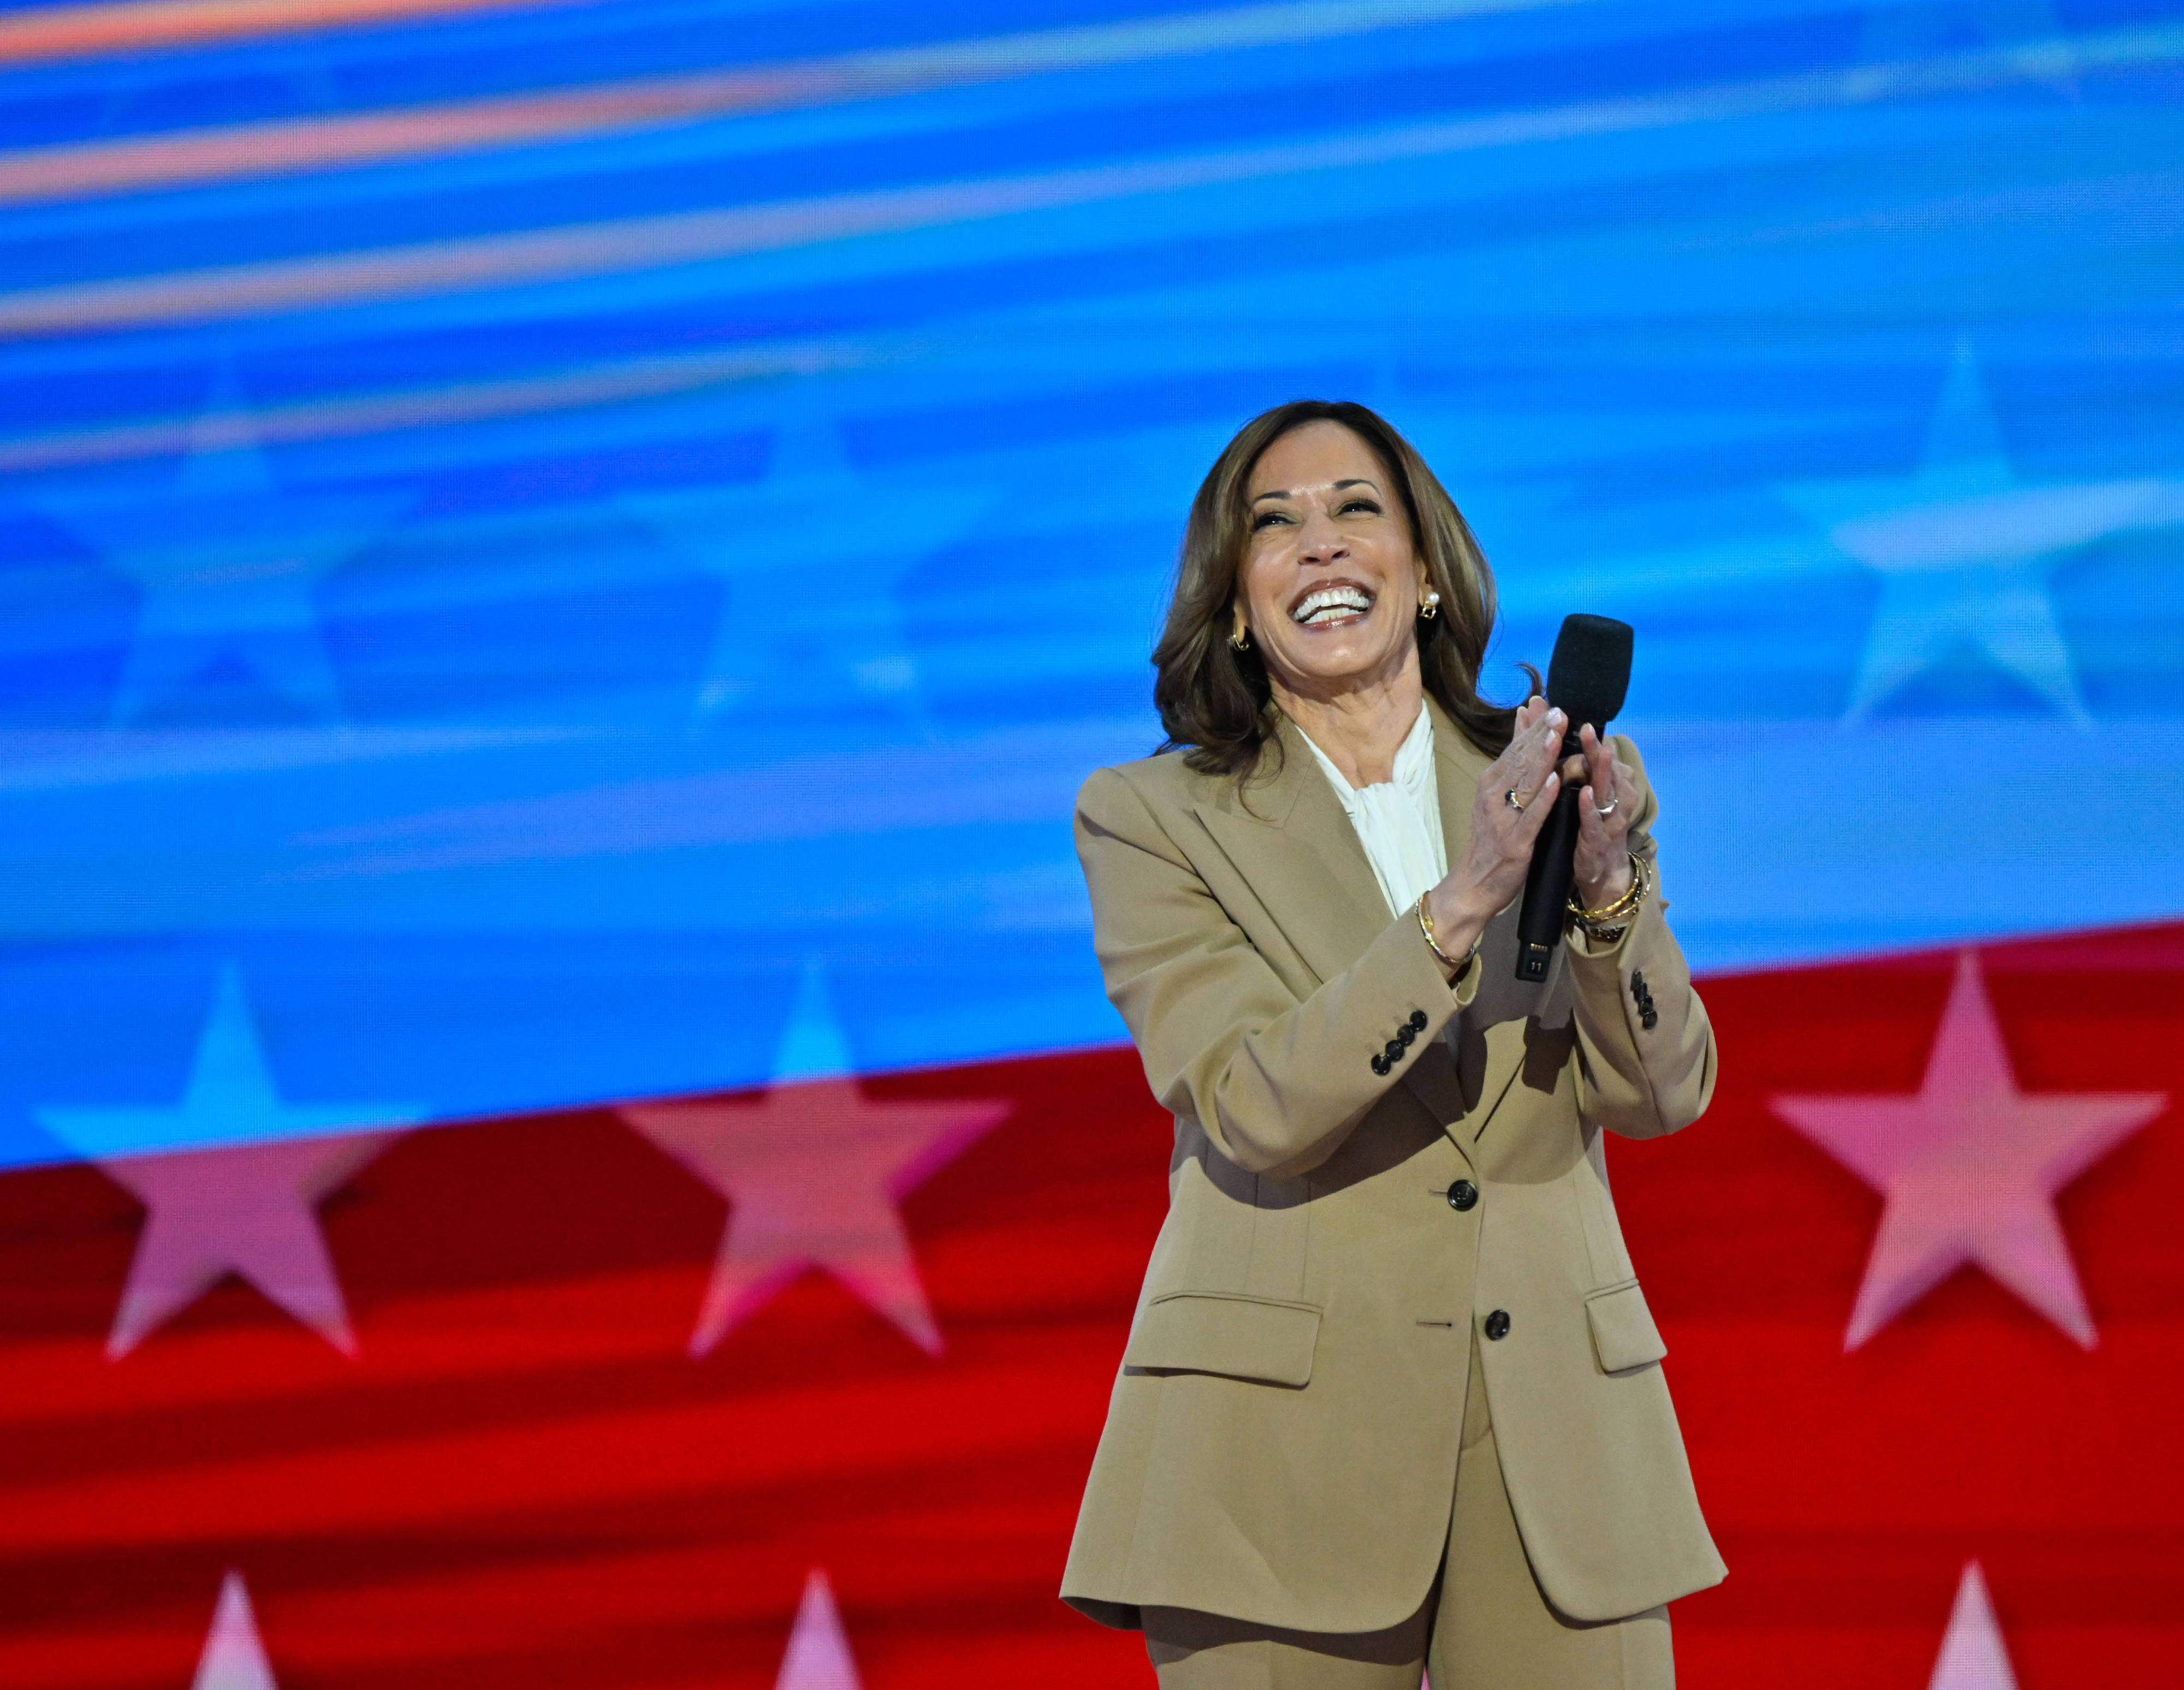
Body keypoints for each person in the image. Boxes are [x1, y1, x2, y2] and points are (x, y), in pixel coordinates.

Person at [1060, 400, 1724, 1688]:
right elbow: (1252, 1102)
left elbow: (1662, 1090)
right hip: (1273, 1465)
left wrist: (1603, 894)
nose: (1319, 544)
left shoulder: (1550, 778)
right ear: (1236, 605)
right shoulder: (1148, 819)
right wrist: (1459, 903)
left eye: (1355, 509)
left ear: (1422, 574)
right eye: (1274, 524)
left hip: (1556, 1455)